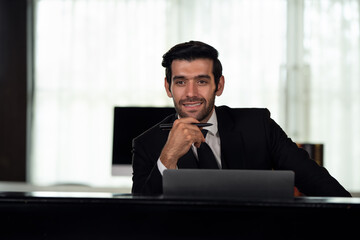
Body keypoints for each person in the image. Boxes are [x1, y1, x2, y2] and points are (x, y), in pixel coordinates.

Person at [131, 40, 351, 197]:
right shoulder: (146, 144)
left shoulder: (259, 126)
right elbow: (138, 219)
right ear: (168, 87)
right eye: (180, 82)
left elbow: (321, 185)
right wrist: (168, 158)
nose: (190, 93)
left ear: (219, 85)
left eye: (201, 81)